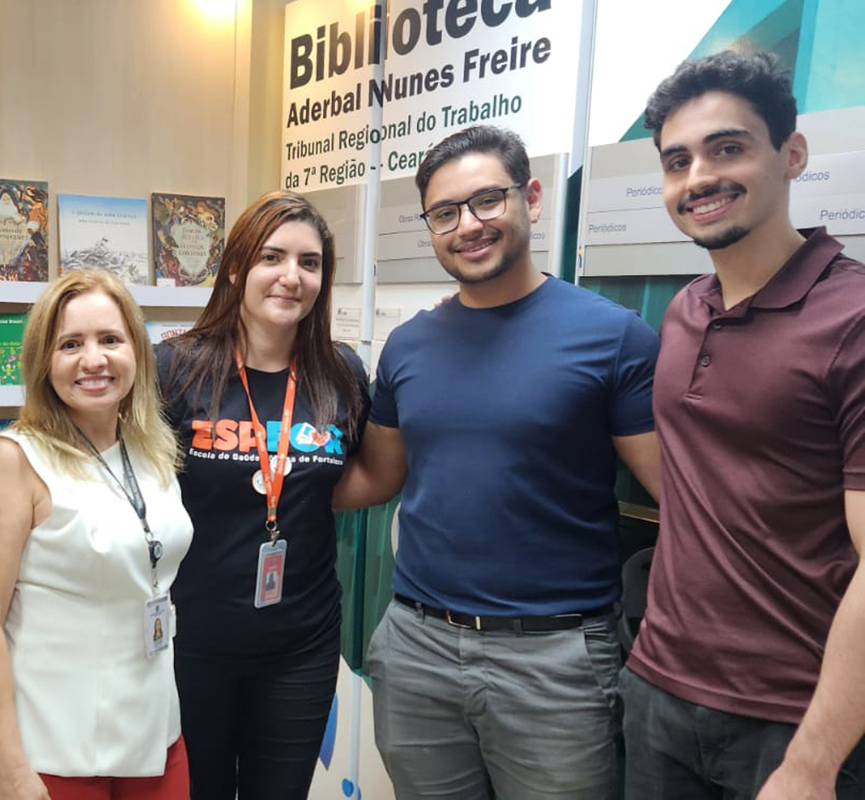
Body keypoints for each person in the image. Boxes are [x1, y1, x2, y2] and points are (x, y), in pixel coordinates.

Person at [334, 124, 662, 800]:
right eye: (446, 213)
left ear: (531, 197)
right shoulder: (409, 344)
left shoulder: (613, 337)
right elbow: (381, 475)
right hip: (417, 646)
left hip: (555, 661)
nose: (468, 225)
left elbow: (680, 496)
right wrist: (252, 484)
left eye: (487, 201)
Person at [622, 50, 865, 800]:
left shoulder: (853, 319)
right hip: (657, 691)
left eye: (728, 148)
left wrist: (813, 763)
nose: (699, 178)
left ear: (791, 155)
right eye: (677, 160)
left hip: (792, 722)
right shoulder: (687, 310)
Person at [155, 190, 369, 800]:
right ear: (236, 268)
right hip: (190, 641)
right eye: (272, 257)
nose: (291, 277)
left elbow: (362, 477)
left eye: (309, 262)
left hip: (300, 644)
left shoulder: (342, 375)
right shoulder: (175, 368)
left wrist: (291, 497)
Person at [0, 269, 193, 800]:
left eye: (110, 339)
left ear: (136, 349)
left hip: (154, 734)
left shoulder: (151, 451)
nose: (94, 360)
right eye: (71, 344)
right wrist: (12, 771)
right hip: (48, 751)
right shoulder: (13, 460)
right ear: (44, 361)